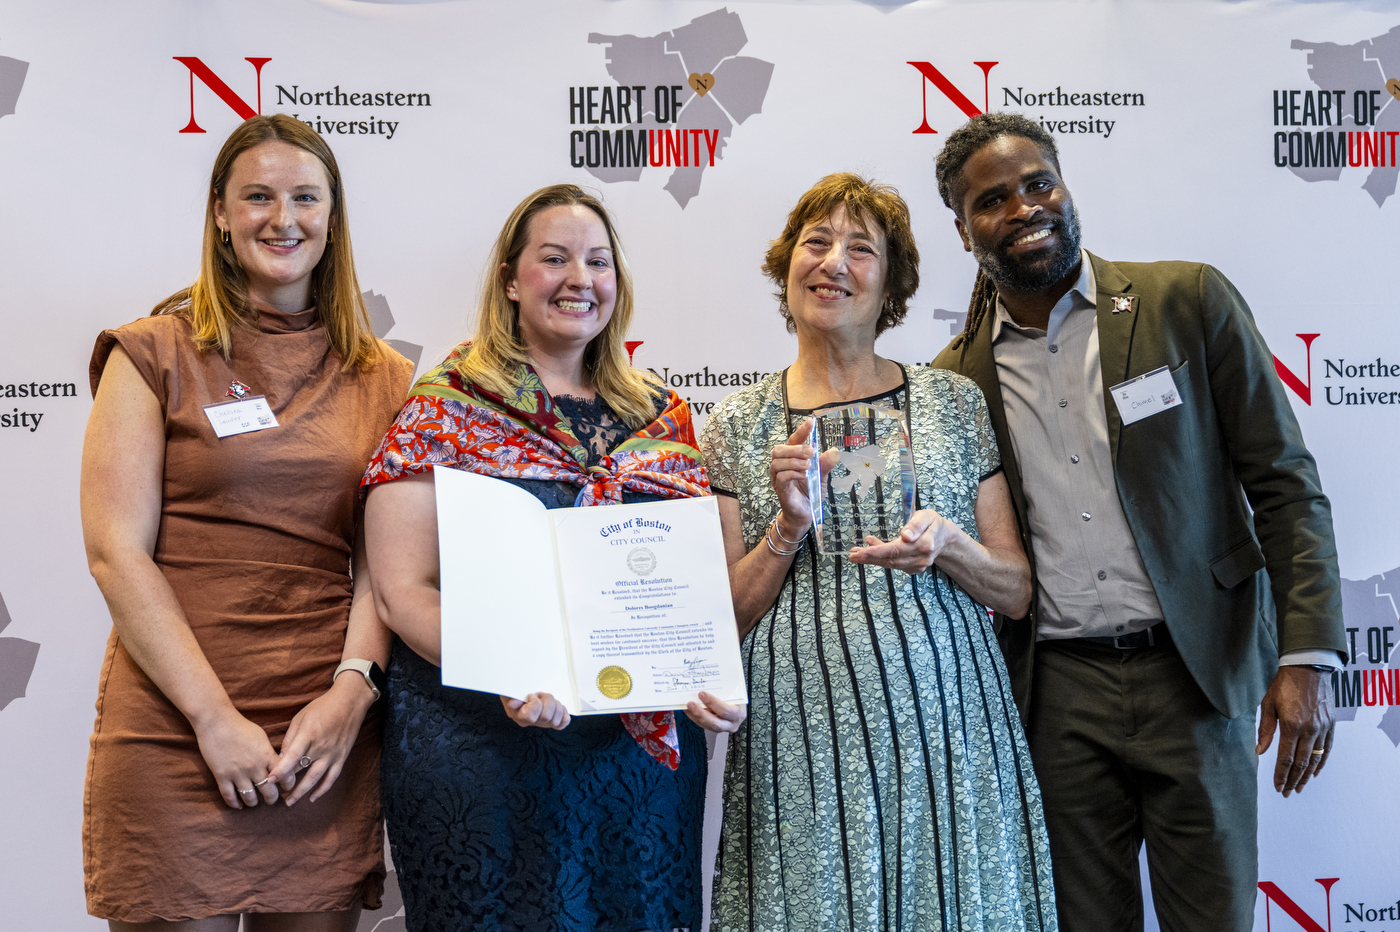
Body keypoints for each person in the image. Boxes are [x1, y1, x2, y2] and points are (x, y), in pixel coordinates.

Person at [929, 112, 1347, 932]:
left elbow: (1286, 484)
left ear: (1065, 186)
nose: (1022, 208)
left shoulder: (1183, 300)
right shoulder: (956, 378)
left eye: (1037, 183)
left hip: (1197, 674)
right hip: (1057, 697)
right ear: (962, 226)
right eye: (991, 201)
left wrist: (1304, 656)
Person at [360, 183, 744, 932]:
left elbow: (693, 590)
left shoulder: (662, 416)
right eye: (554, 258)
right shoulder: (446, 403)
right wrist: (509, 667)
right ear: (510, 279)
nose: (580, 278)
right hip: (482, 744)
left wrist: (705, 680)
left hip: (634, 765)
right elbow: (402, 590)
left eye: (598, 261)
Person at [80, 114, 414, 930]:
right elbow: (116, 553)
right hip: (173, 720)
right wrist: (213, 719)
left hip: (319, 735)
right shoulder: (153, 352)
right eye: (257, 196)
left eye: (305, 197)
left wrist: (350, 692)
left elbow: (388, 567)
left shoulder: (389, 378)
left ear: (332, 219)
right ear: (220, 217)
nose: (283, 217)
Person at [700, 172, 1056, 932]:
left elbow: (1018, 590)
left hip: (948, 724)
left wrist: (953, 547)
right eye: (816, 242)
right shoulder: (735, 423)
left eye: (861, 249)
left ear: (891, 285)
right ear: (786, 265)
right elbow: (722, 617)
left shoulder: (952, 402)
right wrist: (786, 529)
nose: (834, 262)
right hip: (800, 737)